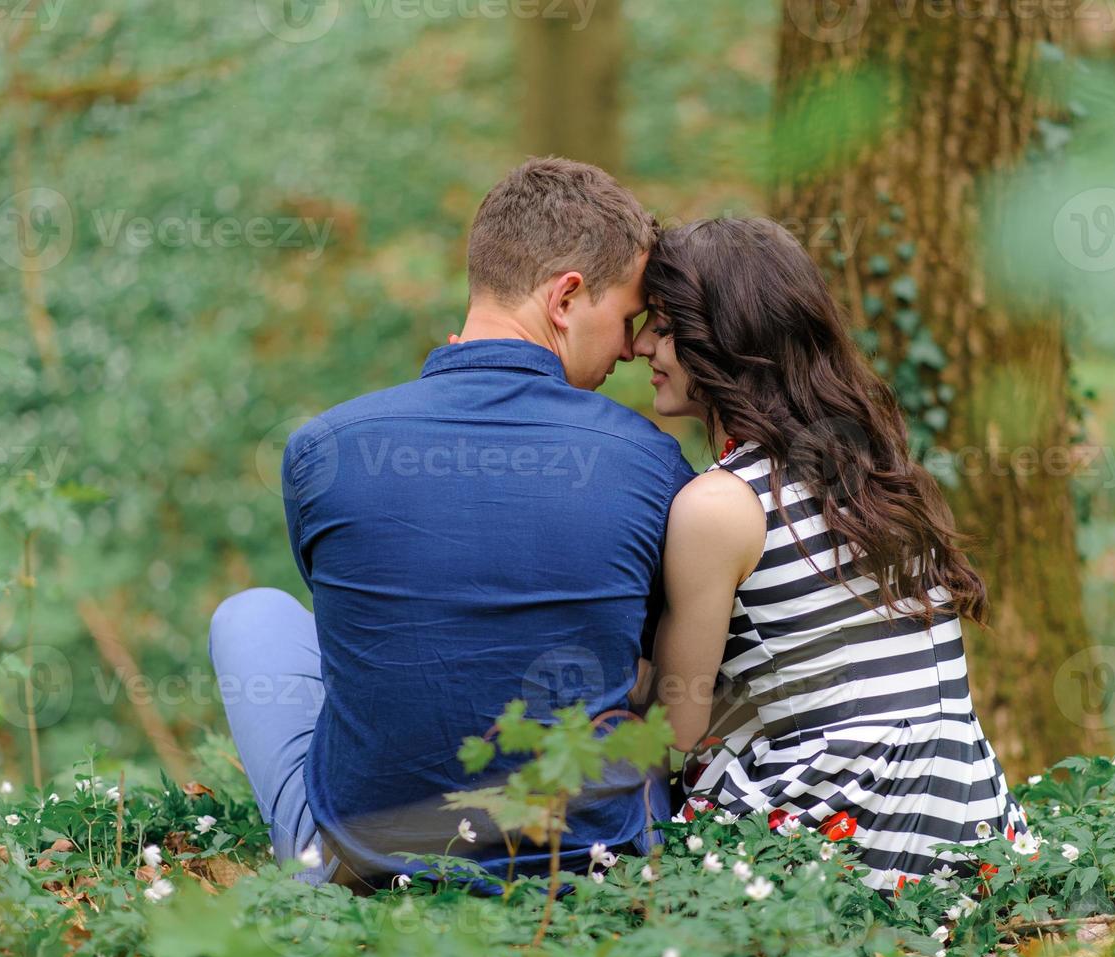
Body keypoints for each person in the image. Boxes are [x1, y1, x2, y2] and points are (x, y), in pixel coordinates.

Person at [209, 157, 694, 890]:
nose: (630, 350)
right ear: (565, 298)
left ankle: (321, 871)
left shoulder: (323, 448)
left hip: (370, 852)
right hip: (583, 858)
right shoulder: (648, 462)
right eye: (626, 320)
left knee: (253, 615)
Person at [633, 216, 1029, 891]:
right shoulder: (871, 469)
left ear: (726, 339)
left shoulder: (720, 505)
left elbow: (679, 722)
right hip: (969, 818)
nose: (642, 344)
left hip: (849, 837)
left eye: (665, 328)